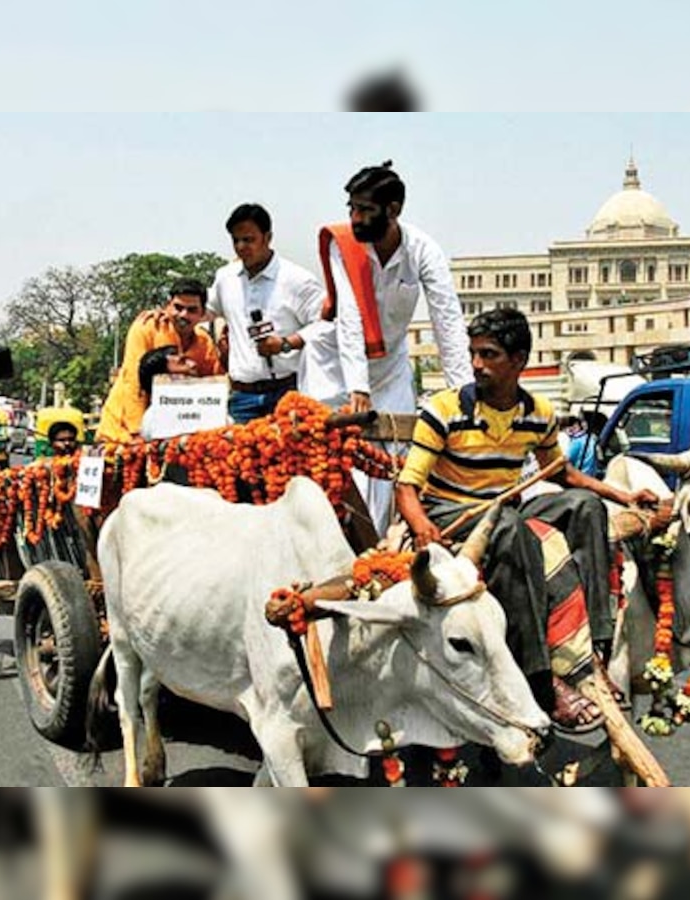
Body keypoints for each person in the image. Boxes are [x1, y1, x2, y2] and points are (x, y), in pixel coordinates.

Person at [395, 309, 658, 732]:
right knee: (511, 526)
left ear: (518, 361)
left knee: (585, 508)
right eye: (474, 353)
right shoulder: (443, 409)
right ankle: (542, 677)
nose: (477, 364)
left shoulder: (538, 412)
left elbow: (561, 473)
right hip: (454, 512)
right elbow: (407, 488)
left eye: (489, 354)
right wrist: (421, 525)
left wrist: (624, 496)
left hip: (504, 508)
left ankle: (594, 655)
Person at [305, 161, 473, 535]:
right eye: (351, 207)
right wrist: (358, 387)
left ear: (393, 210)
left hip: (392, 366)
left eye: (365, 209)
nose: (355, 217)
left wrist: (463, 392)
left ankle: (377, 545)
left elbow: (447, 319)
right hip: (335, 366)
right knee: (332, 463)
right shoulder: (343, 244)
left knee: (391, 464)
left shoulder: (423, 250)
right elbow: (349, 317)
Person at [208, 203, 326, 423]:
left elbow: (326, 325)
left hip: (287, 394)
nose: (241, 247)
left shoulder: (297, 280)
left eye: (249, 239)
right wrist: (169, 313)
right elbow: (205, 311)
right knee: (237, 457)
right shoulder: (225, 279)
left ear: (268, 237)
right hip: (241, 397)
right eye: (236, 240)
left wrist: (286, 343)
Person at [95, 279, 223, 444]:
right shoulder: (148, 327)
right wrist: (136, 430)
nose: (183, 315)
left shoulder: (204, 341)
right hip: (124, 430)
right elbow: (132, 380)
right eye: (178, 307)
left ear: (202, 314)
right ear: (168, 306)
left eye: (192, 310)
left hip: (171, 429)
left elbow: (213, 384)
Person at [137, 345, 201, 441]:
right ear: (163, 380)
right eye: (182, 362)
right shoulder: (152, 422)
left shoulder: (209, 408)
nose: (193, 364)